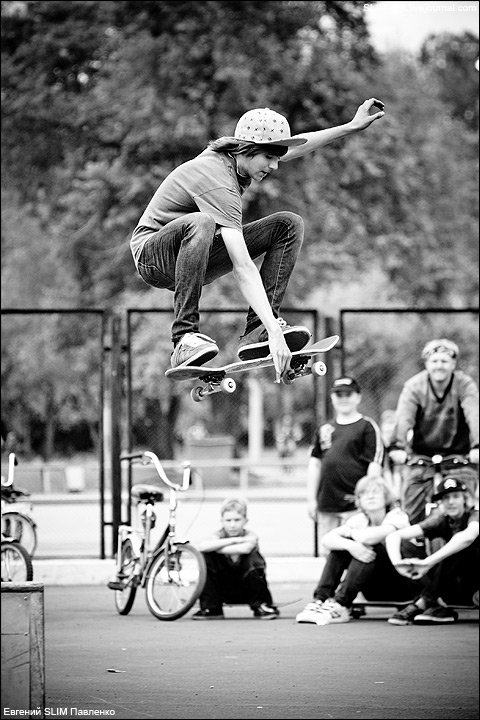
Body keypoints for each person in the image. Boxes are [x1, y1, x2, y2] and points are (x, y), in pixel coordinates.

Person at [130, 100, 385, 378]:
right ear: (247, 148)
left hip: (194, 255)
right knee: (202, 222)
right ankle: (184, 338)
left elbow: (298, 146)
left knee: (288, 225)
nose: (275, 166)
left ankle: (257, 331)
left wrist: (350, 127)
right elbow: (242, 267)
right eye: (269, 158)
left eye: (277, 158)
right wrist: (278, 332)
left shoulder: (243, 158)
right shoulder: (216, 178)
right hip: (154, 257)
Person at [296, 474, 416, 625]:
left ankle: (340, 604)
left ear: (386, 497)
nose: (370, 496)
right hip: (372, 590)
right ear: (359, 500)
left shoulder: (397, 516)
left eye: (375, 492)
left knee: (369, 546)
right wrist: (350, 545)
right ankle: (319, 600)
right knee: (341, 548)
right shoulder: (360, 519)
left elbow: (369, 538)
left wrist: (351, 536)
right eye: (365, 493)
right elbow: (327, 540)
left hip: (403, 586)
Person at [388, 338, 479, 525]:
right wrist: (397, 446)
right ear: (426, 364)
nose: (439, 366)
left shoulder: (464, 384)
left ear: (453, 364)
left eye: (444, 361)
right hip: (422, 456)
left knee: (465, 506)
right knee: (411, 509)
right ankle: (415, 536)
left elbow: (474, 414)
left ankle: (466, 536)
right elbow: (404, 418)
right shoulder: (414, 386)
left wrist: (478, 445)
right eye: (434, 361)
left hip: (458, 455)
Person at [306, 376, 384, 555]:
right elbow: (315, 464)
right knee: (329, 553)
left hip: (355, 507)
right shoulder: (324, 429)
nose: (343, 399)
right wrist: (311, 499)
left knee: (357, 551)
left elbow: (375, 465)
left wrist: (368, 499)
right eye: (338, 394)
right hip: (327, 504)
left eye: (348, 394)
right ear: (332, 398)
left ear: (358, 397)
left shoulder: (367, 427)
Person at [385, 477, 479, 625]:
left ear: (465, 499)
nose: (451, 502)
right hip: (455, 581)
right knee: (406, 545)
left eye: (456, 496)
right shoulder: (442, 520)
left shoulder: (475, 515)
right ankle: (434, 603)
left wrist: (428, 562)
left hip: (474, 580)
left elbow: (468, 537)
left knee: (458, 545)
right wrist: (397, 564)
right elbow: (394, 536)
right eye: (446, 498)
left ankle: (424, 602)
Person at [192, 496, 279, 620]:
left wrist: (217, 547)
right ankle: (211, 608)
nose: (232, 525)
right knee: (206, 556)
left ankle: (261, 605)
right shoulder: (218, 535)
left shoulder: (250, 535)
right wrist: (234, 540)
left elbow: (245, 549)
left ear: (245, 521)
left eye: (237, 520)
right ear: (222, 521)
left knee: (254, 558)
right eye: (228, 520)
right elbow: (202, 547)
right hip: (223, 587)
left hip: (247, 587)